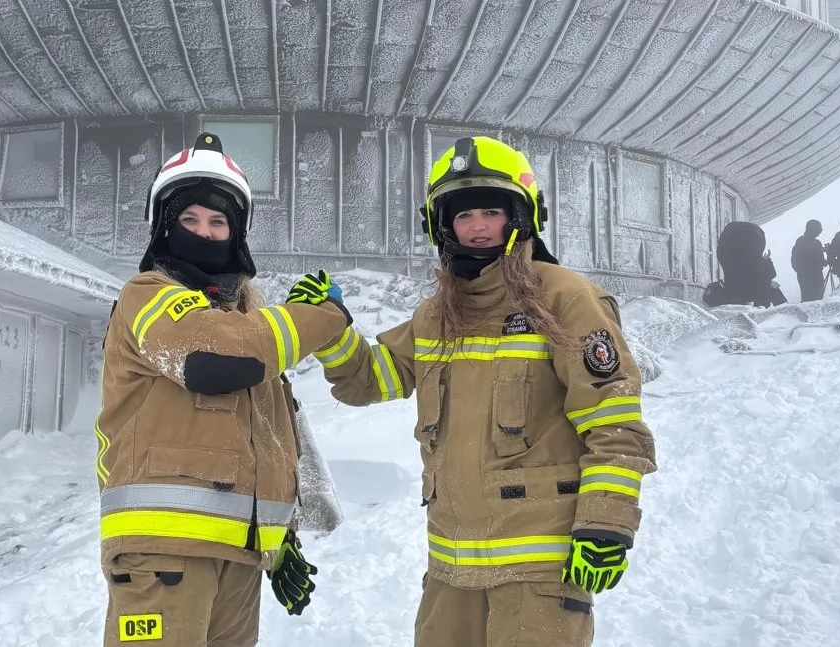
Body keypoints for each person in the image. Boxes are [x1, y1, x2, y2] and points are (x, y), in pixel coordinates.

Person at [305, 136, 656, 647]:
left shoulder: (565, 299)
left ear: (521, 216)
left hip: (540, 570)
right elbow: (369, 378)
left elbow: (615, 421)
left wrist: (606, 524)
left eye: (491, 212)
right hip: (451, 571)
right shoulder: (435, 316)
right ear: (441, 226)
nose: (476, 228)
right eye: (463, 216)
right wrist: (331, 329)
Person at [95, 132, 351, 647]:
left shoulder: (246, 323)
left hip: (239, 559)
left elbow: (267, 445)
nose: (204, 233)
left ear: (237, 235)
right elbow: (213, 360)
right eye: (188, 220)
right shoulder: (147, 296)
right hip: (164, 551)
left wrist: (278, 542)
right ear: (163, 228)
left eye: (218, 223)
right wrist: (324, 316)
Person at [704, 220, 785, 307]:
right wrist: (766, 261)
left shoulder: (729, 257)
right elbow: (771, 274)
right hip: (755, 290)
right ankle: (780, 312)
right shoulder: (755, 258)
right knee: (770, 286)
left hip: (733, 290)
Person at [791, 219, 828, 301]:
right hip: (807, 276)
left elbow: (821, 260)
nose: (819, 232)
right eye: (818, 230)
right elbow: (800, 257)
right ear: (812, 229)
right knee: (808, 299)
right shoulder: (802, 241)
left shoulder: (816, 243)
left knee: (816, 299)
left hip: (814, 275)